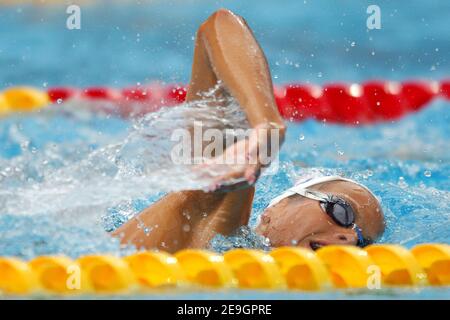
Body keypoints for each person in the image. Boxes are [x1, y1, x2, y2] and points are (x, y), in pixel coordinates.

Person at [112, 9, 385, 253]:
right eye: (342, 211)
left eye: (363, 243)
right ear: (275, 209)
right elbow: (220, 26)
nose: (349, 237)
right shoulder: (219, 213)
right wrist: (266, 126)